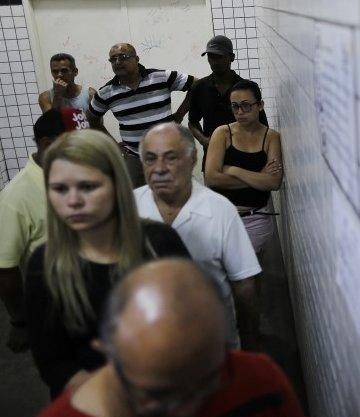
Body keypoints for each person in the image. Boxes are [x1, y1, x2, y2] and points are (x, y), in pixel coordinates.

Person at [26, 258, 310, 417]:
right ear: (106, 350)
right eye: (156, 393)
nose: (183, 411)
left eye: (205, 383)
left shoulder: (260, 382)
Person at [24, 129, 190, 398]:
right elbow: (53, 363)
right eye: (59, 189)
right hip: (91, 408)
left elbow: (193, 327)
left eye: (88, 187)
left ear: (117, 185)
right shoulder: (44, 264)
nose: (73, 201)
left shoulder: (160, 243)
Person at [135, 122, 262, 348]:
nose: (159, 168)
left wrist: (250, 343)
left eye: (171, 157)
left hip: (212, 346)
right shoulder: (128, 207)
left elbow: (244, 285)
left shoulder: (220, 210)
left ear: (192, 158)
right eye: (150, 158)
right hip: (146, 349)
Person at [0, 108, 89, 352]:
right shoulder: (15, 197)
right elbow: (5, 269)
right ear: (48, 144)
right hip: (56, 310)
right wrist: (19, 321)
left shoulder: (83, 175)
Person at [87, 43, 194, 187]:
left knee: (176, 195)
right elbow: (92, 119)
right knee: (137, 202)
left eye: (123, 57)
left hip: (169, 153)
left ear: (136, 59)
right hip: (134, 157)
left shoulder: (161, 77)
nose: (118, 62)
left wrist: (180, 115)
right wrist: (113, 145)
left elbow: (197, 85)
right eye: (113, 59)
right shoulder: (106, 92)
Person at [204, 79, 282, 254]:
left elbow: (274, 182)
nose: (240, 112)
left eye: (246, 106)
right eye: (235, 106)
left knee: (249, 274)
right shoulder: (222, 133)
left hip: (257, 218)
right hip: (222, 217)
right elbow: (211, 178)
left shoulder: (271, 137)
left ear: (260, 105)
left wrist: (233, 170)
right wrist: (259, 177)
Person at [188, 35, 245, 165]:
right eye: (211, 57)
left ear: (232, 57)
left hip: (244, 156)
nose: (214, 61)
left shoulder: (245, 88)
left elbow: (261, 125)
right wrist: (204, 141)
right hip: (213, 158)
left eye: (219, 57)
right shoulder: (199, 87)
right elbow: (192, 122)